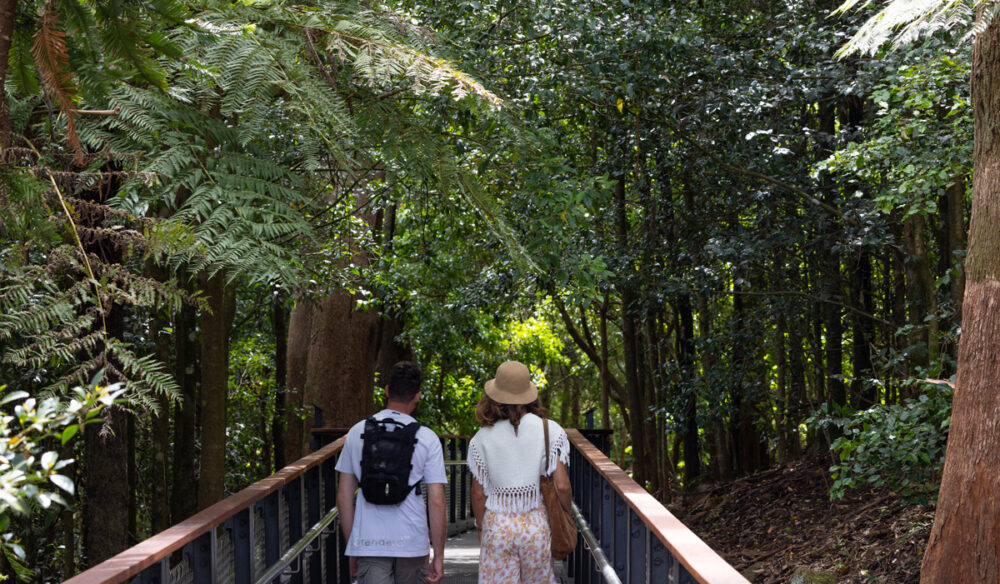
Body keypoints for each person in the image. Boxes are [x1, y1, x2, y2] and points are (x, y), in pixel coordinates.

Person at [336, 361, 447, 584]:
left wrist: (353, 546)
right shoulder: (427, 438)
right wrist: (439, 556)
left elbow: (344, 496)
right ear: (418, 395)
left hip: (369, 543)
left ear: (387, 391)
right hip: (412, 543)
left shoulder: (357, 432)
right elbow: (437, 502)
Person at [467, 360, 572, 584]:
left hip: (497, 527)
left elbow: (478, 493)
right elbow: (562, 486)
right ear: (529, 394)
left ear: (493, 396)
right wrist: (565, 517)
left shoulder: (481, 438)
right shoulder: (550, 430)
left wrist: (480, 526)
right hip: (535, 525)